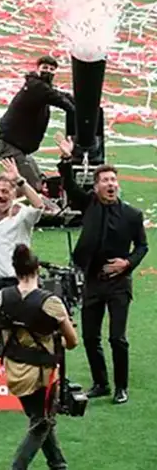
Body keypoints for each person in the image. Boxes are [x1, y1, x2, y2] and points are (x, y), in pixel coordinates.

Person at [56, 134, 148, 404]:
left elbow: (143, 246)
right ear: (96, 187)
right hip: (93, 280)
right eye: (105, 181)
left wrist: (127, 263)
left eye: (113, 180)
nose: (111, 184)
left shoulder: (132, 215)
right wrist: (66, 159)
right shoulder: (89, 204)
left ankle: (121, 387)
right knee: (90, 336)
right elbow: (70, 187)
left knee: (117, 337)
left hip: (119, 283)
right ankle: (101, 383)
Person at [0, 244, 78, 470]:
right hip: (41, 374)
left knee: (40, 417)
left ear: (15, 270)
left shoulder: (1, 297)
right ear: (37, 269)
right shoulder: (51, 302)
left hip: (13, 369)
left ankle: (58, 464)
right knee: (41, 423)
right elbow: (73, 341)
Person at [0, 159, 46, 328]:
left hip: (17, 281)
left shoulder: (23, 215)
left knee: (19, 328)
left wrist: (20, 180)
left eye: (5, 192)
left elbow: (39, 206)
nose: (0, 196)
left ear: (14, 194)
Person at [0, 56, 75, 191]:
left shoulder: (37, 86)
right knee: (33, 187)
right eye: (45, 68)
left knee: (38, 181)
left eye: (51, 69)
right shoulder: (37, 87)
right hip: (12, 146)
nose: (48, 71)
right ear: (37, 69)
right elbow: (65, 104)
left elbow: (60, 95)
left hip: (19, 147)